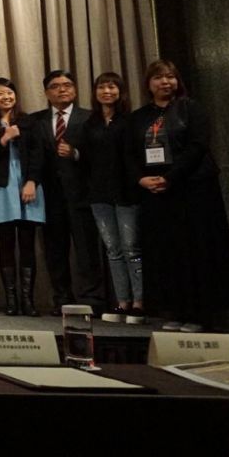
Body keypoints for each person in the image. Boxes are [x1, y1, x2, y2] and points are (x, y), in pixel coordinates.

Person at [126, 60, 229, 332]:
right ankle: (174, 310)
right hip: (156, 193)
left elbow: (198, 146)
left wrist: (170, 177)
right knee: (166, 252)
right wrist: (142, 179)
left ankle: (198, 314)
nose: (165, 82)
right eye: (158, 77)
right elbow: (128, 154)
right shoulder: (139, 117)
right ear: (148, 84)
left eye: (170, 77)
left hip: (192, 189)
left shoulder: (191, 109)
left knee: (196, 250)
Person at [32, 69, 105, 314]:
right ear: (46, 92)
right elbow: (33, 157)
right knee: (55, 250)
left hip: (83, 194)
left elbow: (102, 156)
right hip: (50, 196)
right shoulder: (37, 120)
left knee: (87, 249)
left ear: (74, 89)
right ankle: (62, 299)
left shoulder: (91, 117)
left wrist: (76, 154)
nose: (62, 89)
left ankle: (93, 299)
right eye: (55, 86)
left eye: (67, 85)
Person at [0, 77, 45, 316]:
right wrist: (4, 138)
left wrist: (32, 182)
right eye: (0, 94)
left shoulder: (29, 122)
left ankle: (28, 300)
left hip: (27, 185)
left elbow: (39, 154)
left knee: (27, 243)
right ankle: (11, 300)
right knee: (6, 243)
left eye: (9, 93)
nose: (6, 97)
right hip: (1, 186)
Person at [82, 72, 144, 324]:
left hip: (126, 192)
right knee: (113, 250)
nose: (107, 91)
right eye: (102, 87)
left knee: (132, 248)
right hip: (99, 193)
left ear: (120, 91)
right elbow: (86, 157)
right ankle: (122, 302)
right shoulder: (91, 123)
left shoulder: (130, 121)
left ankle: (139, 302)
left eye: (112, 87)